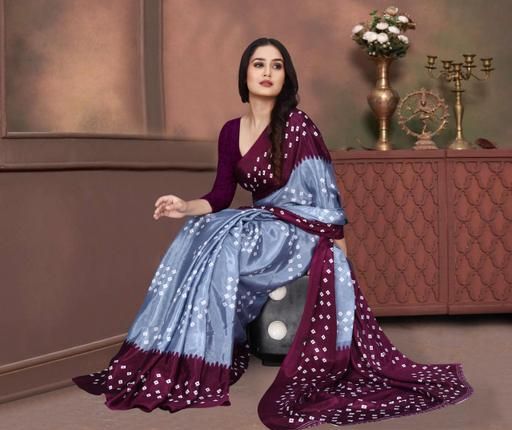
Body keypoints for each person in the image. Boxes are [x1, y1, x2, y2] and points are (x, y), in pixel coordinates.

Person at [72, 37, 473, 429]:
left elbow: (323, 195)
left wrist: (339, 248)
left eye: (276, 65)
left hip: (299, 229)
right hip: (264, 224)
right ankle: (192, 354)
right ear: (245, 75)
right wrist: (184, 206)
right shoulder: (231, 131)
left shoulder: (299, 125)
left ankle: (204, 355)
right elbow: (220, 195)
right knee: (202, 228)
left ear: (286, 77)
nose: (267, 72)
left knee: (227, 235)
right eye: (259, 64)